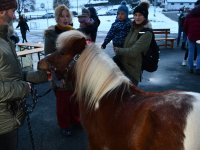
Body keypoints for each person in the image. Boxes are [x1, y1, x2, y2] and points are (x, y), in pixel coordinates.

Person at [0, 0, 48, 150]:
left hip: (9, 117)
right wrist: (23, 88)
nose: (14, 16)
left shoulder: (5, 39)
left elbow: (15, 75)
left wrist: (43, 76)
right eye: (12, 11)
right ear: (1, 11)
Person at [44, 4, 80, 136]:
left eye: (67, 16)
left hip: (74, 73)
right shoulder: (50, 35)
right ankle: (64, 124)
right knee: (63, 103)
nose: (65, 19)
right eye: (61, 16)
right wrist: (57, 77)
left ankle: (76, 120)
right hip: (60, 74)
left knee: (75, 100)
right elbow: (48, 57)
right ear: (57, 18)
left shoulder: (74, 32)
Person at [113, 1, 152, 86]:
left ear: (145, 17)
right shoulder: (133, 28)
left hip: (133, 71)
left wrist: (118, 50)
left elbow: (133, 51)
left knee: (129, 97)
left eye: (140, 15)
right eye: (135, 15)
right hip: (123, 66)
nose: (137, 18)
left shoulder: (147, 33)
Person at [184, 0, 200, 74]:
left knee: (191, 52)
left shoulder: (189, 15)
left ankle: (190, 68)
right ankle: (198, 68)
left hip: (191, 36)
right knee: (199, 53)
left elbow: (185, 27)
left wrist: (188, 34)